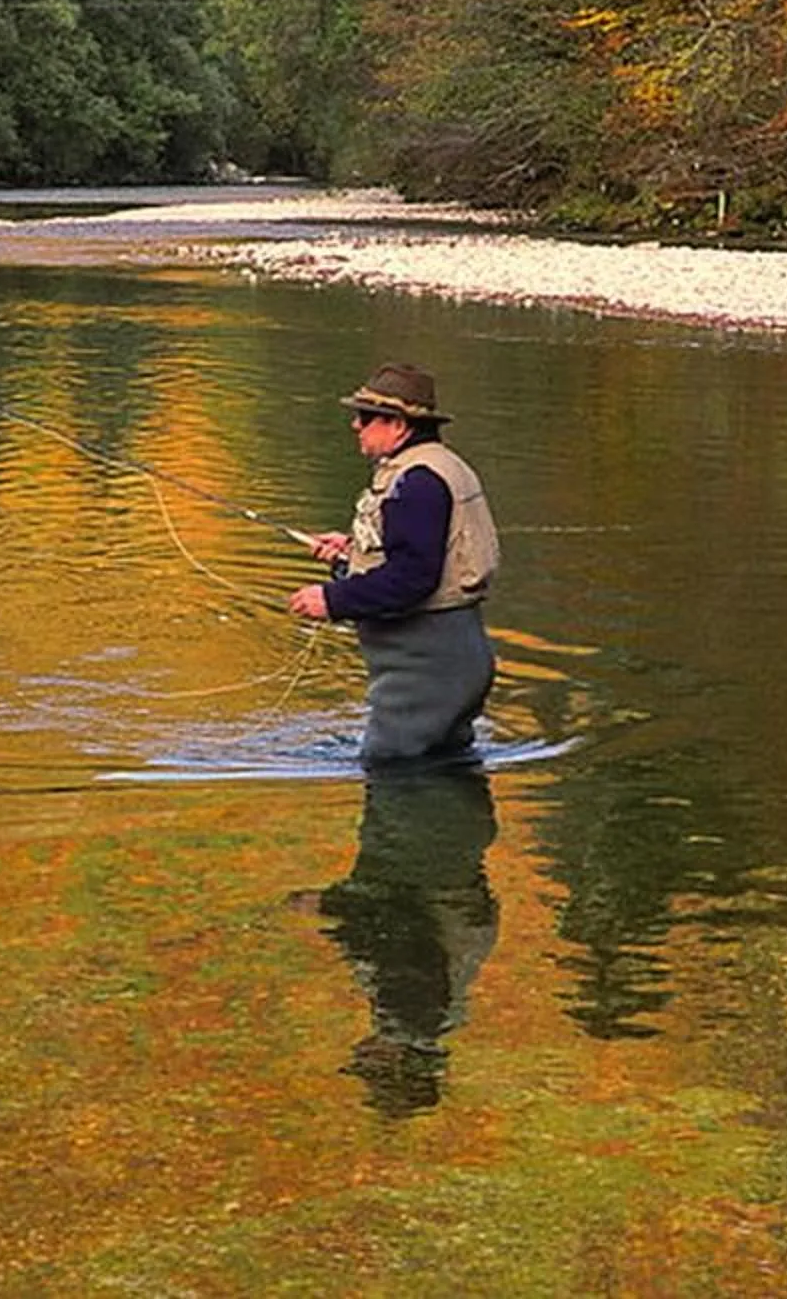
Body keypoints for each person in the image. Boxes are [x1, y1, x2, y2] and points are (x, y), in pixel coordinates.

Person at [287, 363, 500, 764]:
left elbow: (413, 577)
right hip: (453, 660)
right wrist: (352, 553)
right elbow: (422, 554)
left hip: (426, 668)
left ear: (399, 426)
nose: (355, 425)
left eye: (365, 418)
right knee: (440, 774)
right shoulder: (438, 466)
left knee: (391, 775)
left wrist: (331, 599)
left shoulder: (416, 482)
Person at [318, 764, 499, 1115]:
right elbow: (401, 935)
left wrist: (334, 910)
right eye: (368, 1068)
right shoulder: (411, 1010)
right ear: (396, 1063)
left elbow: (398, 936)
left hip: (447, 843)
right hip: (423, 851)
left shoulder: (429, 1013)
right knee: (399, 760)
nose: (359, 1053)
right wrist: (331, 907)